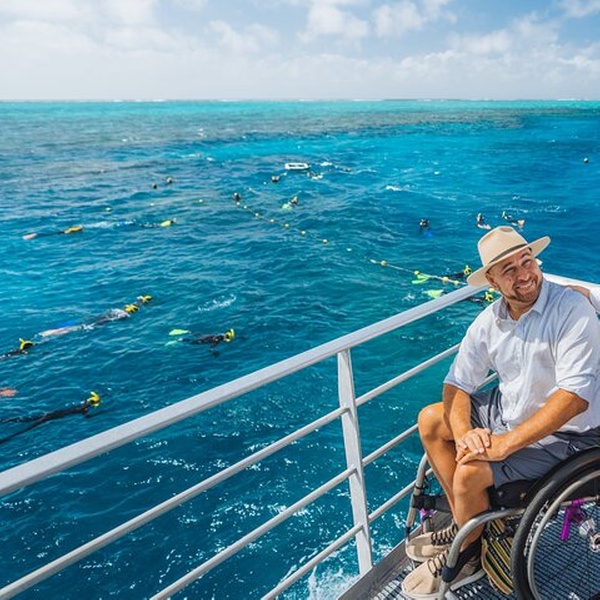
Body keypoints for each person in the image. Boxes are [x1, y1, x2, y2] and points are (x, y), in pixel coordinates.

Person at [401, 226, 600, 598]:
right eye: (509, 270)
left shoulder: (571, 311)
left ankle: (467, 552)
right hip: (511, 411)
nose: (524, 274)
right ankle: (468, 526)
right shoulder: (490, 321)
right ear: (492, 281)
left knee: (469, 474)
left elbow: (574, 398)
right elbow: (456, 384)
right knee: (431, 420)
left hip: (572, 434)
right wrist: (466, 435)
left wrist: (504, 444)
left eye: (527, 261)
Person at [0, 392, 101, 444]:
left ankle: (3, 421)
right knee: (27, 428)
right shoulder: (82, 410)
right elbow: (87, 416)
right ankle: (5, 439)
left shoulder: (80, 407)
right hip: (50, 417)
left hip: (49, 414)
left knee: (22, 419)